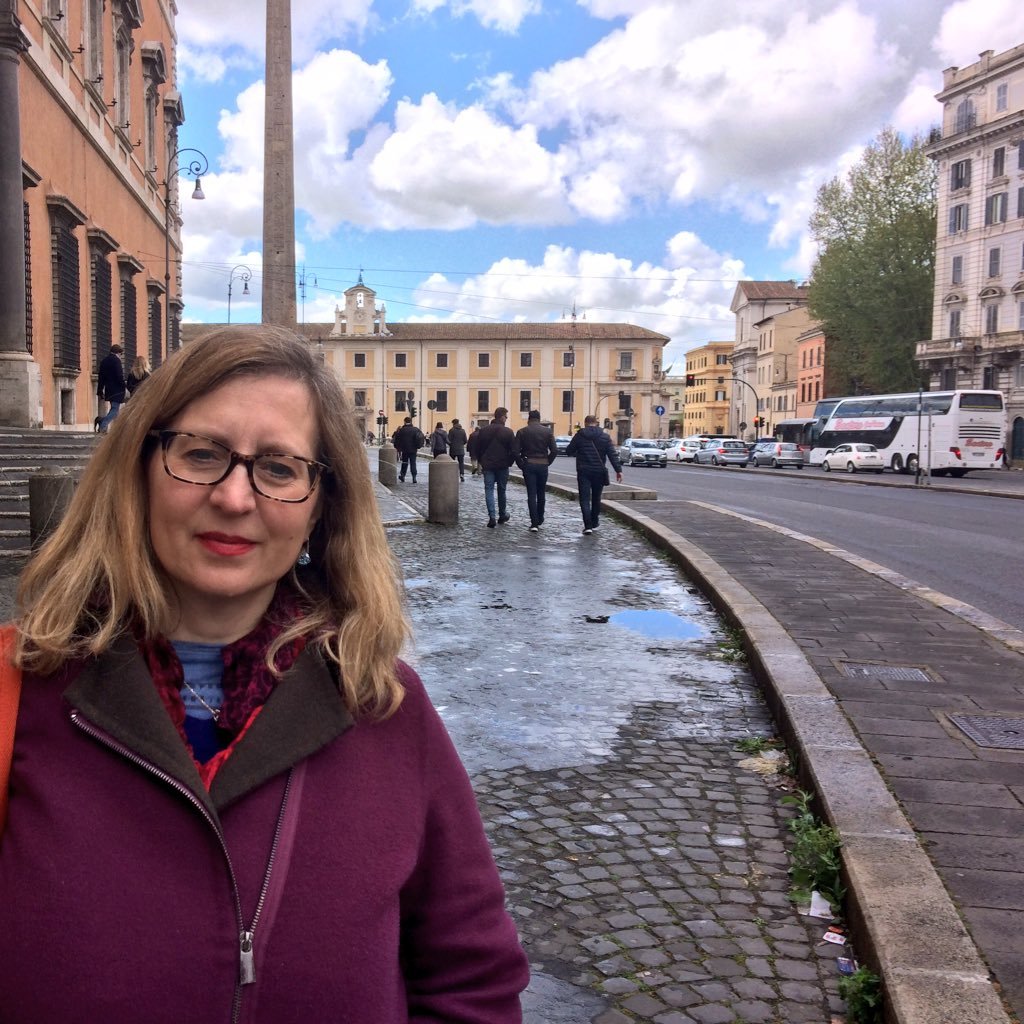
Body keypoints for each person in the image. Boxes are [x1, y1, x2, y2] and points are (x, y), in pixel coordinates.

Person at [0, 326, 529, 1022]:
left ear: (321, 506)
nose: (234, 498)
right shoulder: (20, 690)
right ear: (139, 470)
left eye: (278, 468)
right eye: (202, 454)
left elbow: (473, 982)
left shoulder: (385, 704)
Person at [566, 415, 623, 535]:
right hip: (599, 471)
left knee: (585, 499)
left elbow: (569, 451)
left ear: (585, 423)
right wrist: (618, 470)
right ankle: (594, 521)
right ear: (596, 423)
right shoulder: (605, 436)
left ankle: (587, 526)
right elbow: (612, 455)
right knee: (596, 497)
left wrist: (579, 452)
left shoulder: (580, 435)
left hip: (584, 471)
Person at [469, 408, 517, 529]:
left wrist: (481, 461)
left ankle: (492, 516)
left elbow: (478, 448)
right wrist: (509, 462)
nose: (506, 418)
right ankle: (502, 515)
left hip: (488, 465)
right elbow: (513, 450)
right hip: (502, 465)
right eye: (506, 416)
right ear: (501, 417)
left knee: (489, 490)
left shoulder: (483, 431)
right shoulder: (508, 432)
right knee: (502, 490)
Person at [515, 410, 557, 532]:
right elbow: (554, 450)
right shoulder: (548, 431)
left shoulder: (522, 431)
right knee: (541, 492)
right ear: (539, 419)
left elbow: (515, 451)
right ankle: (540, 517)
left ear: (529, 418)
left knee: (531, 494)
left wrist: (521, 464)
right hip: (543, 464)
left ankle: (534, 523)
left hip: (529, 464)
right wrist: (548, 461)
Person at [96, 342, 127, 433]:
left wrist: (100, 390)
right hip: (117, 389)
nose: (120, 356)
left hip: (108, 389)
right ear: (118, 353)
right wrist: (123, 385)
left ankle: (116, 430)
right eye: (121, 354)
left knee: (115, 410)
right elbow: (119, 375)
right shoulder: (116, 361)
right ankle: (103, 423)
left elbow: (101, 377)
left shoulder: (104, 361)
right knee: (115, 409)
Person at [392, 415, 425, 482]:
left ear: (404, 422)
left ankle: (403, 475)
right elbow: (421, 437)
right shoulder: (416, 429)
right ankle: (414, 477)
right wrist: (418, 445)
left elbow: (397, 440)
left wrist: (397, 447)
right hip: (413, 449)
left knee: (404, 462)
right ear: (411, 422)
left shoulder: (401, 430)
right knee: (413, 463)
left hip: (404, 449)